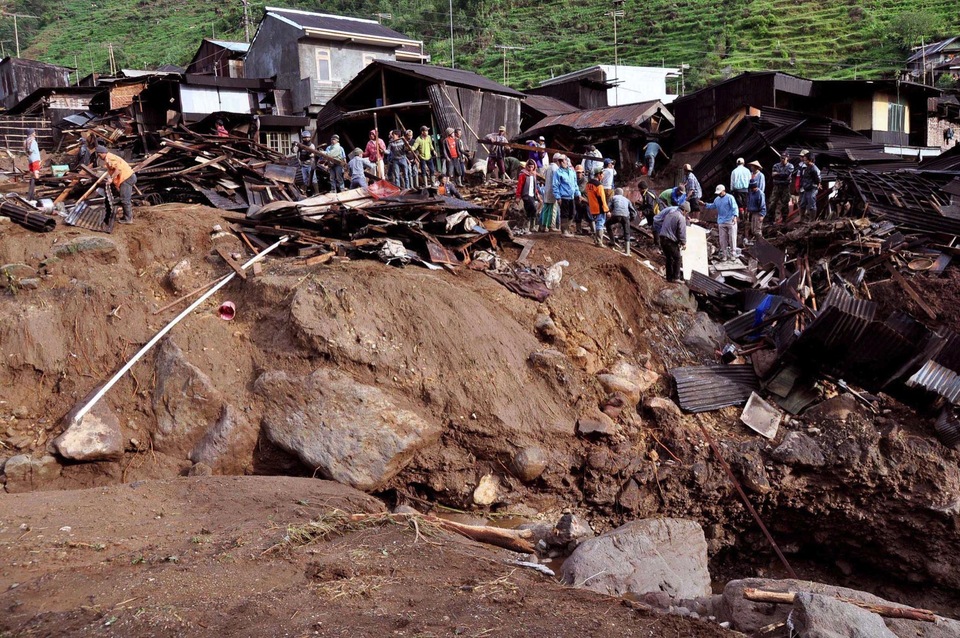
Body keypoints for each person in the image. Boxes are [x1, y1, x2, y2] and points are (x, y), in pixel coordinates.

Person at [95, 144, 137, 224]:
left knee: (125, 199)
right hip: (127, 178)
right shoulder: (109, 157)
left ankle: (128, 219)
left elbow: (118, 170)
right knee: (124, 198)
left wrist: (111, 178)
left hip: (127, 178)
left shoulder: (109, 158)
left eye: (99, 154)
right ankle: (126, 216)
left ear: (103, 153)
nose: (99, 156)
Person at [704, 184, 739, 261]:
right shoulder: (717, 200)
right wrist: (705, 205)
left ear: (724, 191)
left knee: (732, 238)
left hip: (730, 220)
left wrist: (735, 216)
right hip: (721, 221)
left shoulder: (730, 198)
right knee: (722, 239)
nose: (719, 194)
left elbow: (735, 207)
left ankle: (733, 253)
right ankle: (724, 254)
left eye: (720, 192)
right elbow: (713, 206)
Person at [656, 201, 689, 283]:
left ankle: (669, 278)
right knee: (677, 258)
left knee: (669, 259)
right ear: (684, 211)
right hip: (670, 241)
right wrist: (683, 242)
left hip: (662, 238)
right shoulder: (680, 217)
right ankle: (676, 277)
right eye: (687, 212)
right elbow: (681, 231)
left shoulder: (670, 214)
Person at [552, 155, 581, 236]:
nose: (562, 162)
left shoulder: (572, 172)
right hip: (563, 196)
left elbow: (575, 184)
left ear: (566, 161)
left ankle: (567, 229)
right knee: (564, 214)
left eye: (563, 160)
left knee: (572, 213)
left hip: (571, 196)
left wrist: (578, 194)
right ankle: (564, 231)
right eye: (560, 161)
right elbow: (555, 185)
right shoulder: (558, 172)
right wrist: (558, 197)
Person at [608, 187, 637, 255]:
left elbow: (608, 207)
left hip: (616, 215)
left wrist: (609, 213)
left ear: (615, 192)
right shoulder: (627, 200)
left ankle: (612, 241)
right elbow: (633, 212)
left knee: (608, 224)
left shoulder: (613, 198)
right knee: (627, 232)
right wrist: (631, 219)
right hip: (625, 216)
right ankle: (627, 251)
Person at [516, 159, 541, 233]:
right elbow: (519, 186)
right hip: (526, 195)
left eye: (532, 167)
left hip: (532, 195)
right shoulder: (523, 174)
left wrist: (538, 195)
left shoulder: (534, 175)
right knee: (531, 210)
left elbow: (534, 187)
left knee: (532, 211)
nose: (530, 169)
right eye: (529, 167)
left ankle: (531, 227)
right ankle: (527, 227)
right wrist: (518, 196)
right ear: (526, 166)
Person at [585, 167, 608, 246]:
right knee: (600, 224)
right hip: (599, 208)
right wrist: (606, 210)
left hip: (592, 207)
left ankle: (596, 239)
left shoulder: (588, 184)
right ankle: (599, 241)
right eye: (602, 174)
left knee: (597, 222)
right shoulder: (599, 185)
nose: (603, 176)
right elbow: (602, 199)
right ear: (598, 174)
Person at [770, 152, 795, 224]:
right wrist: (781, 175)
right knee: (773, 202)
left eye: (784, 158)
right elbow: (773, 175)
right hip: (777, 186)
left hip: (785, 187)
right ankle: (771, 219)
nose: (782, 159)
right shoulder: (776, 165)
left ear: (788, 158)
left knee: (785, 203)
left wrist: (778, 174)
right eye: (781, 157)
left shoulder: (790, 166)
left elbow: (787, 174)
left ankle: (784, 219)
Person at [539, 153, 560, 231]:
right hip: (552, 192)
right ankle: (551, 225)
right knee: (553, 209)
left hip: (547, 191)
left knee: (546, 209)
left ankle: (544, 226)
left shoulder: (549, 167)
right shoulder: (555, 169)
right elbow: (556, 183)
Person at [798, 153, 821, 220]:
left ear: (810, 160)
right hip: (806, 188)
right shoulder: (807, 168)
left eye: (805, 160)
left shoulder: (814, 169)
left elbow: (817, 180)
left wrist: (818, 184)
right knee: (802, 204)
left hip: (812, 189)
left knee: (811, 204)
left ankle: (812, 220)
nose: (804, 161)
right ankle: (801, 219)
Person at [745, 178, 767, 243]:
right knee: (753, 230)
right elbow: (749, 201)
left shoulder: (760, 194)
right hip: (752, 212)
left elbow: (763, 205)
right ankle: (756, 243)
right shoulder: (751, 193)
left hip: (758, 213)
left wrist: (762, 215)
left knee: (757, 230)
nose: (751, 189)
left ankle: (761, 243)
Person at [297, 130, 316, 194]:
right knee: (305, 179)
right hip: (303, 164)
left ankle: (316, 192)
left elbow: (313, 154)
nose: (306, 139)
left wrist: (310, 154)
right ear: (303, 138)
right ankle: (306, 193)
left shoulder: (311, 145)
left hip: (310, 164)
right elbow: (297, 153)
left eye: (308, 137)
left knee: (313, 179)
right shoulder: (300, 145)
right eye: (305, 137)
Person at [574, 164, 590, 233]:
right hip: (578, 201)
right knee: (578, 216)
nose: (578, 174)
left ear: (582, 173)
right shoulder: (574, 179)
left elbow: (581, 189)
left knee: (589, 216)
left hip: (585, 201)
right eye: (577, 172)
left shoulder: (584, 180)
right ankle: (578, 230)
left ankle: (594, 231)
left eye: (579, 172)